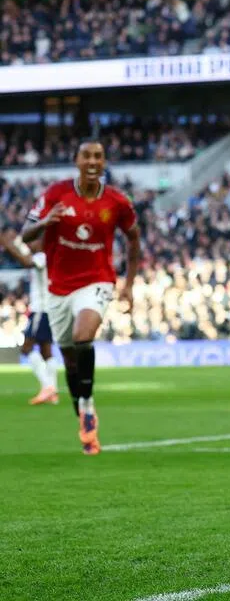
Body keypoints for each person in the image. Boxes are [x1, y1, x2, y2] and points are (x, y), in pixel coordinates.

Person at [21, 138, 141, 455]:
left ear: (104, 162)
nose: (92, 161)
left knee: (83, 336)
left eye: (98, 156)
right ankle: (83, 415)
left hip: (97, 281)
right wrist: (46, 222)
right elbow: (26, 234)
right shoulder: (55, 194)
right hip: (58, 288)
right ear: (76, 160)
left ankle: (87, 403)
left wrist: (129, 284)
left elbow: (134, 238)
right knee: (70, 359)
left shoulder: (117, 201)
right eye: (86, 156)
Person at [2, 232, 56, 405]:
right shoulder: (44, 256)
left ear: (40, 243)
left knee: (26, 347)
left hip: (41, 310)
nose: (29, 245)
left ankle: (48, 387)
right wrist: (13, 244)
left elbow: (26, 261)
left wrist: (8, 245)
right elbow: (24, 254)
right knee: (46, 351)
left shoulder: (42, 257)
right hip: (48, 308)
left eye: (32, 242)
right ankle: (52, 390)